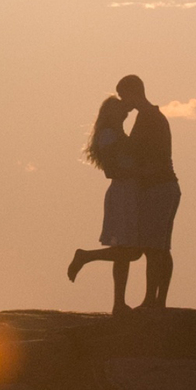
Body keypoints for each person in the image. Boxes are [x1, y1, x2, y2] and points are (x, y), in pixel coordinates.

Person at [65, 74, 181, 315]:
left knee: (155, 247)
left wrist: (138, 169)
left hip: (158, 187)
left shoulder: (149, 118)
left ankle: (154, 301)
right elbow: (116, 164)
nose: (123, 103)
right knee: (146, 248)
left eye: (123, 96)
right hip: (140, 190)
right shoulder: (135, 123)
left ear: (132, 91)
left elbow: (149, 156)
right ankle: (148, 301)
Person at [66, 93, 142, 311]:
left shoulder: (116, 133)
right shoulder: (108, 136)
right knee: (131, 251)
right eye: (121, 109)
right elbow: (111, 170)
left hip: (128, 191)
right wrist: (138, 172)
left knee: (124, 252)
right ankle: (86, 256)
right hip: (123, 192)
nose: (125, 113)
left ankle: (118, 302)